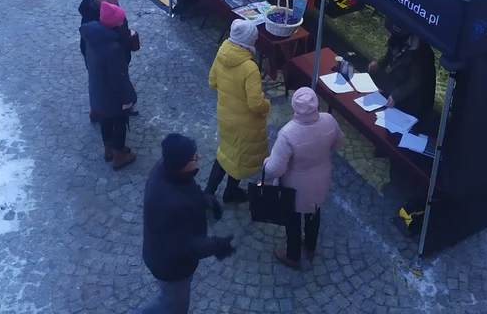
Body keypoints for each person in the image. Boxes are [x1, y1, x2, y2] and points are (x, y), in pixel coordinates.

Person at [138, 133, 236, 314]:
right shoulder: (171, 205)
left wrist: (204, 199)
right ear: (180, 164)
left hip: (164, 255)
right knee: (172, 305)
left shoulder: (167, 168)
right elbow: (186, 245)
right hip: (171, 267)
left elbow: (187, 188)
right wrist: (216, 245)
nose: (199, 157)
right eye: (194, 157)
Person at [263, 87, 344, 269]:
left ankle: (293, 255)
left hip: (295, 187)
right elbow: (339, 142)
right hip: (321, 180)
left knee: (292, 219)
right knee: (314, 212)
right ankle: (310, 246)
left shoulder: (287, 133)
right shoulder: (329, 121)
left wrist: (265, 162)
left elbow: (275, 169)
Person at [205, 19, 270, 203]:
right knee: (239, 158)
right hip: (245, 124)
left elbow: (212, 82)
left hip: (225, 116)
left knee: (226, 152)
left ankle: (209, 192)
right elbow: (256, 104)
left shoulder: (222, 52)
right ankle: (231, 192)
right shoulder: (249, 68)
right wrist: (267, 106)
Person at [80, 1, 138, 170]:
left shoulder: (93, 37)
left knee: (105, 119)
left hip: (98, 91)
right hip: (113, 97)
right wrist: (128, 99)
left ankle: (109, 149)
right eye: (121, 19)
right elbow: (118, 78)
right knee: (119, 121)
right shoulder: (113, 48)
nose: (123, 21)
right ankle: (119, 154)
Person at [369, 20, 437, 120]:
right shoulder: (397, 39)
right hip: (399, 83)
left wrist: (396, 95)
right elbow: (389, 56)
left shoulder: (422, 54)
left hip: (416, 100)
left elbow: (415, 81)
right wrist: (378, 66)